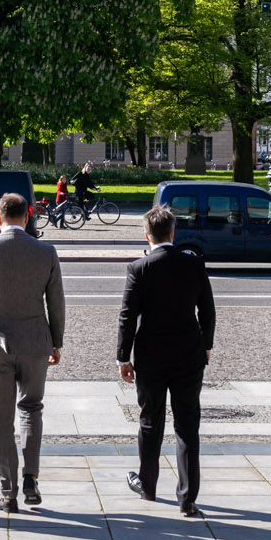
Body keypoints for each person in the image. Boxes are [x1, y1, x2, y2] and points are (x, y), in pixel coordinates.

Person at [0, 193, 65, 512]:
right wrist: (56, 342)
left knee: (1, 419)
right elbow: (56, 303)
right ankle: (31, 476)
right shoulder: (46, 251)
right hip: (35, 341)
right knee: (32, 408)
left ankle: (9, 492)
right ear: (29, 215)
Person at [116, 202, 216, 517]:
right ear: (173, 232)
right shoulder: (193, 264)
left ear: (147, 236)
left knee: (150, 421)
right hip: (188, 354)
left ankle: (147, 486)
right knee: (187, 426)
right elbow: (208, 311)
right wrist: (207, 346)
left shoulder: (139, 269)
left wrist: (123, 357)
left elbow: (127, 317)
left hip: (151, 357)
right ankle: (188, 499)